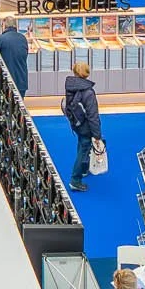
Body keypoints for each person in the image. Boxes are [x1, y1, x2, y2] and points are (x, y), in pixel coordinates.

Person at [63, 59, 102, 192]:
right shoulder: (88, 92)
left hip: (76, 124)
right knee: (84, 148)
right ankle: (76, 180)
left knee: (82, 144)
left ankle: (84, 168)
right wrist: (97, 135)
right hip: (85, 126)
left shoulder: (71, 86)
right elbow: (93, 115)